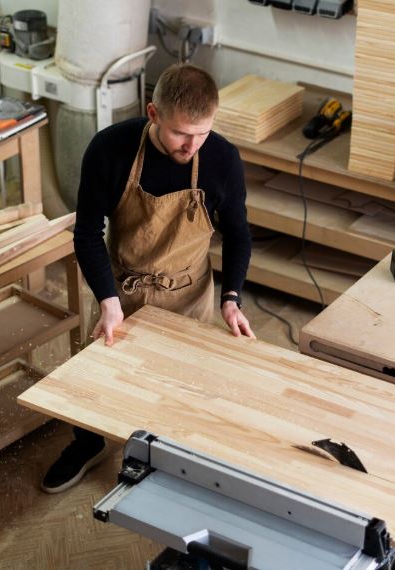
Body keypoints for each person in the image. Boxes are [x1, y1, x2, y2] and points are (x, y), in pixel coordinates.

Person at [41, 63, 254, 493]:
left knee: (179, 386)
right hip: (124, 290)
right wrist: (107, 299)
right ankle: (88, 442)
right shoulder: (111, 149)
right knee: (97, 381)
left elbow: (239, 233)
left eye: (203, 134)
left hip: (187, 293)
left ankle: (166, 459)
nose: (192, 146)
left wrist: (232, 297)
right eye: (181, 134)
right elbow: (86, 233)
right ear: (153, 113)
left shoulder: (222, 159)